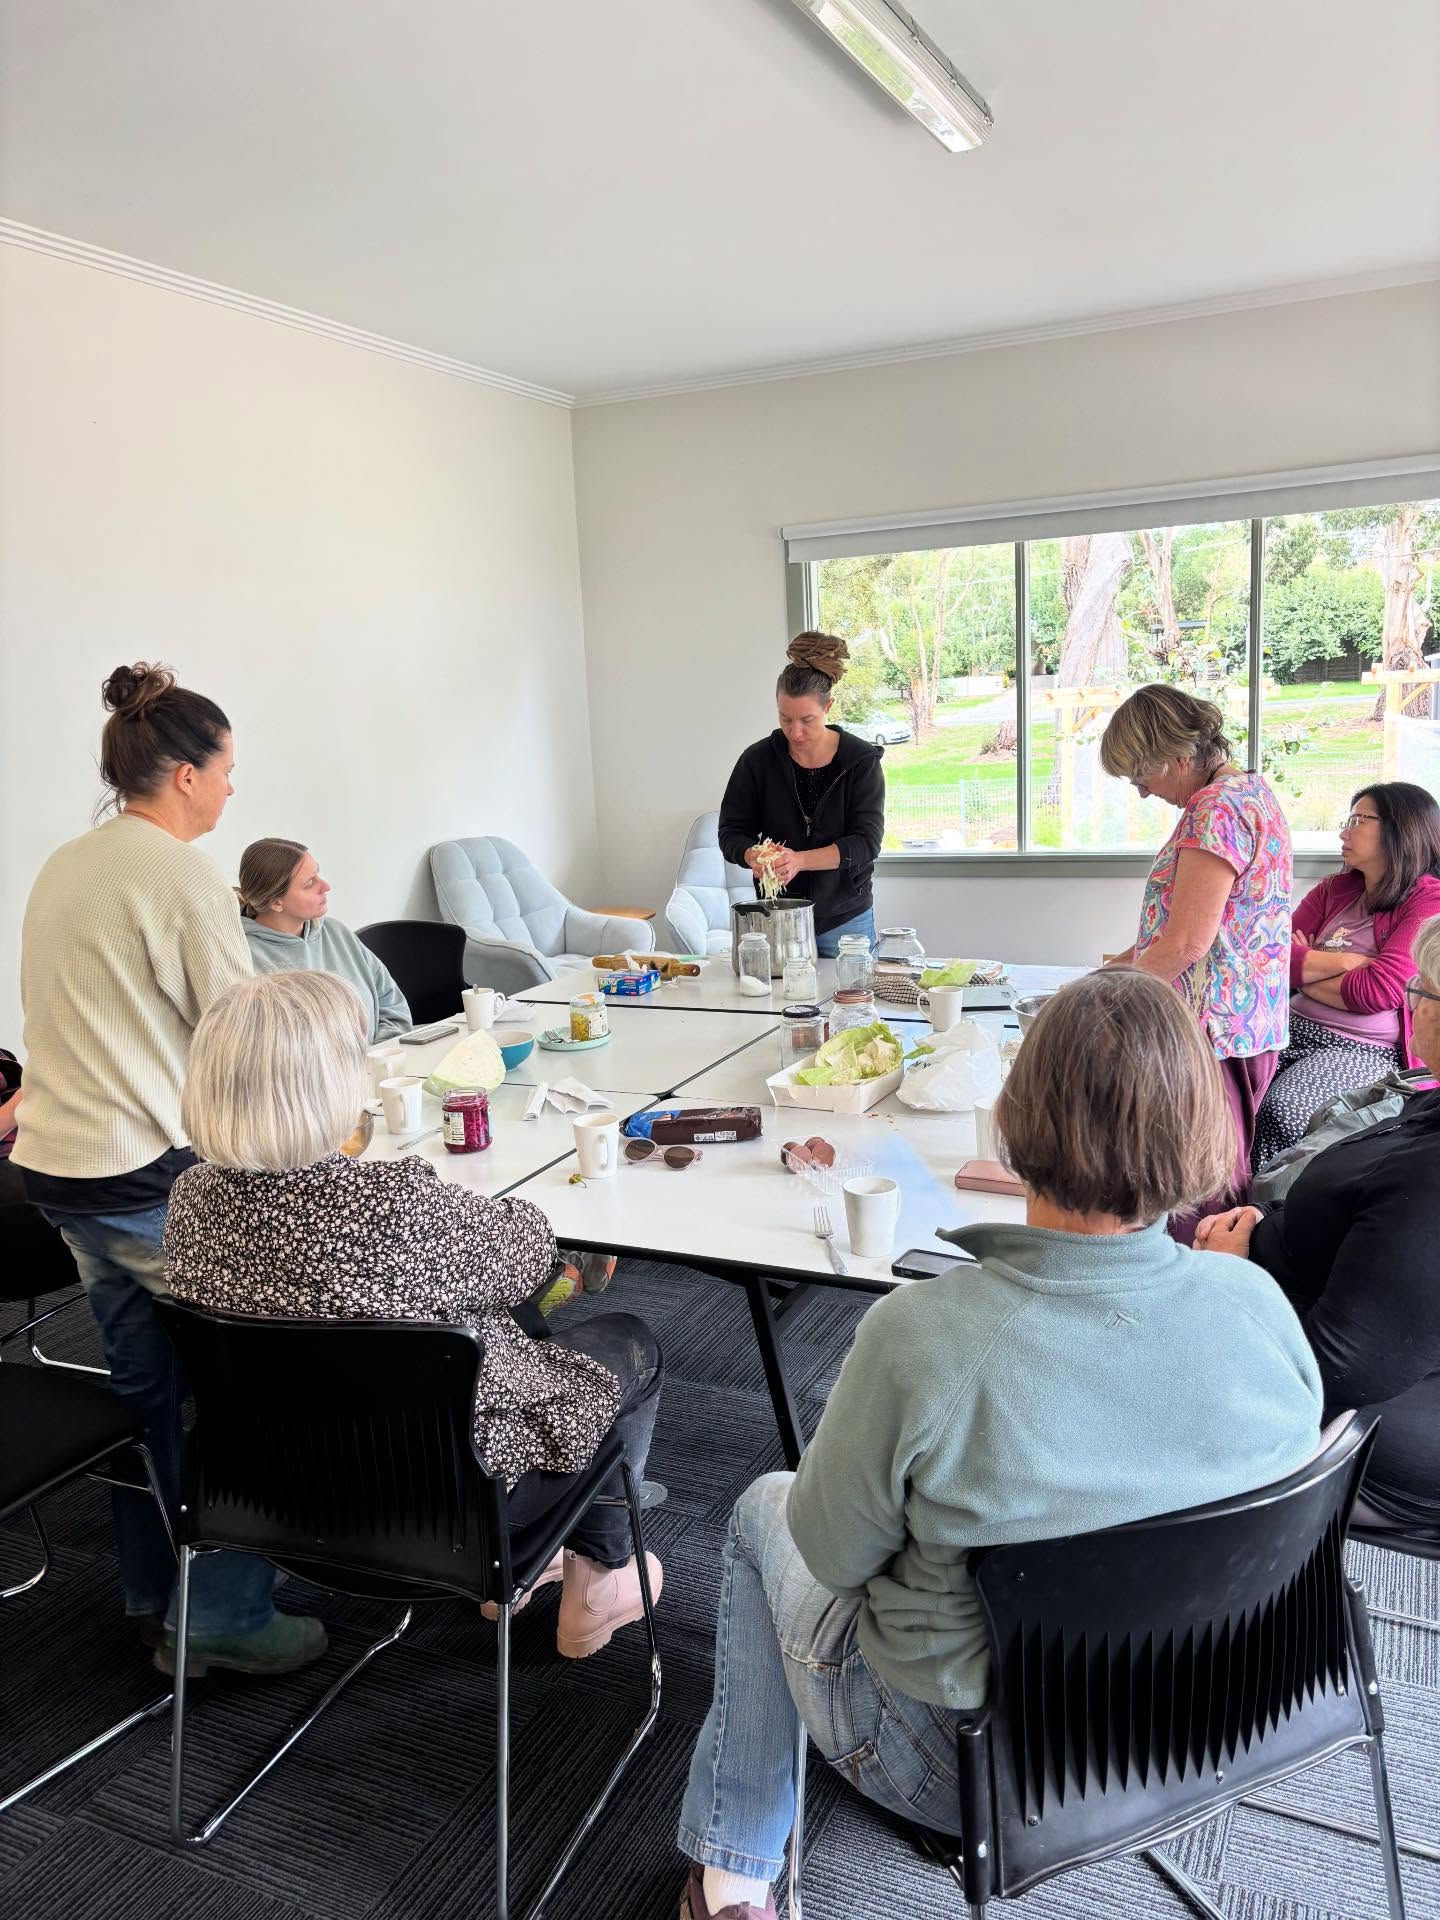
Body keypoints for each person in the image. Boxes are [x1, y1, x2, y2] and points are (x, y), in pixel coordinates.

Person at [675, 969, 1322, 1920]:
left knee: (763, 1506)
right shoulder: (1258, 1304)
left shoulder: (923, 1334)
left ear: (1016, 1118)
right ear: (1195, 1123)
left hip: (964, 1767)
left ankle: (729, 1879)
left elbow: (830, 1554)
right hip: (1209, 1721)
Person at [164, 969, 665, 1658]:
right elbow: (526, 1255)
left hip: (269, 1499)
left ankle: (547, 1564)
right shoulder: (392, 1205)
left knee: (513, 1333)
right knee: (627, 1343)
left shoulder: (190, 1201)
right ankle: (601, 1572)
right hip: (448, 1514)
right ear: (332, 1084)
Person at [13, 662, 320, 1674]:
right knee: (249, 1385)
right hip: (144, 1178)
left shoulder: (71, 860)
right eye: (226, 770)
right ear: (185, 773)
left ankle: (157, 1598)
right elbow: (241, 1035)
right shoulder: (180, 870)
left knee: (148, 1387)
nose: (233, 789)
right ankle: (224, 1617)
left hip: (65, 1172)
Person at [1197, 913, 1440, 1544]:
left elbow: (1337, 1370)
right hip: (1299, 1316)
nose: (1412, 1002)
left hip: (1363, 1435)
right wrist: (1263, 1226)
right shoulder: (1429, 1102)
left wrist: (1233, 1278)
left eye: (1421, 991)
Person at [1099, 685, 1292, 1237]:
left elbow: (1186, 944)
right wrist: (1117, 966)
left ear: (1178, 759)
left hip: (1213, 1029)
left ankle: (1190, 1299)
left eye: (1141, 777)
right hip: (1245, 1021)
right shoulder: (1249, 791)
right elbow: (1188, 928)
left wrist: (1105, 998)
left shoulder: (1216, 809)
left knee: (1196, 1185)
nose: (1140, 793)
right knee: (1215, 1172)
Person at [1252, 782, 1440, 1166]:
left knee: (1283, 1113)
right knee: (1222, 1097)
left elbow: (1379, 991)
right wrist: (1346, 962)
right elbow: (1272, 959)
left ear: (1400, 829)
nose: (1344, 831)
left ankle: (1262, 1216)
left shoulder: (1428, 898)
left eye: (1358, 820)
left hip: (1359, 1049)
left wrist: (1308, 960)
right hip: (1287, 1026)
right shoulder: (1335, 889)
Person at [718, 632, 885, 958]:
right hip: (779, 916)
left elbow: (866, 843)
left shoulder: (860, 762)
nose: (795, 732)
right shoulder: (757, 761)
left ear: (829, 707)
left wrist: (800, 861)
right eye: (785, 718)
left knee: (854, 1005)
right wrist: (751, 854)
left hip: (846, 919)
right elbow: (731, 832)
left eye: (807, 720)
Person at [237, 837, 411, 1043]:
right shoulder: (243, 957)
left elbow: (393, 1007)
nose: (326, 886)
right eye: (309, 883)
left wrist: (378, 1058)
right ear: (275, 902)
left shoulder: (337, 933)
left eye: (317, 873)